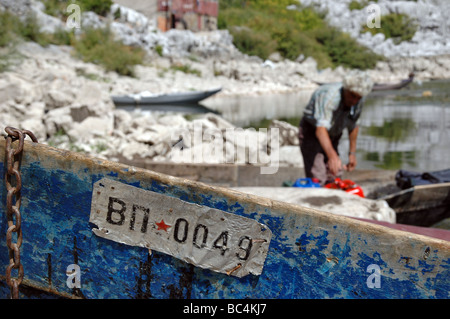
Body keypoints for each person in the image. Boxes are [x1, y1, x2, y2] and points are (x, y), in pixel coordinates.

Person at [298, 70, 373, 185]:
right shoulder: (329, 96)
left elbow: (353, 125)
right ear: (346, 89)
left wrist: (352, 153)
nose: (354, 101)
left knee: (335, 174)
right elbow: (321, 129)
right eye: (352, 96)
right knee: (318, 176)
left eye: (358, 98)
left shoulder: (358, 100)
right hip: (312, 132)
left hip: (334, 133)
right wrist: (332, 156)